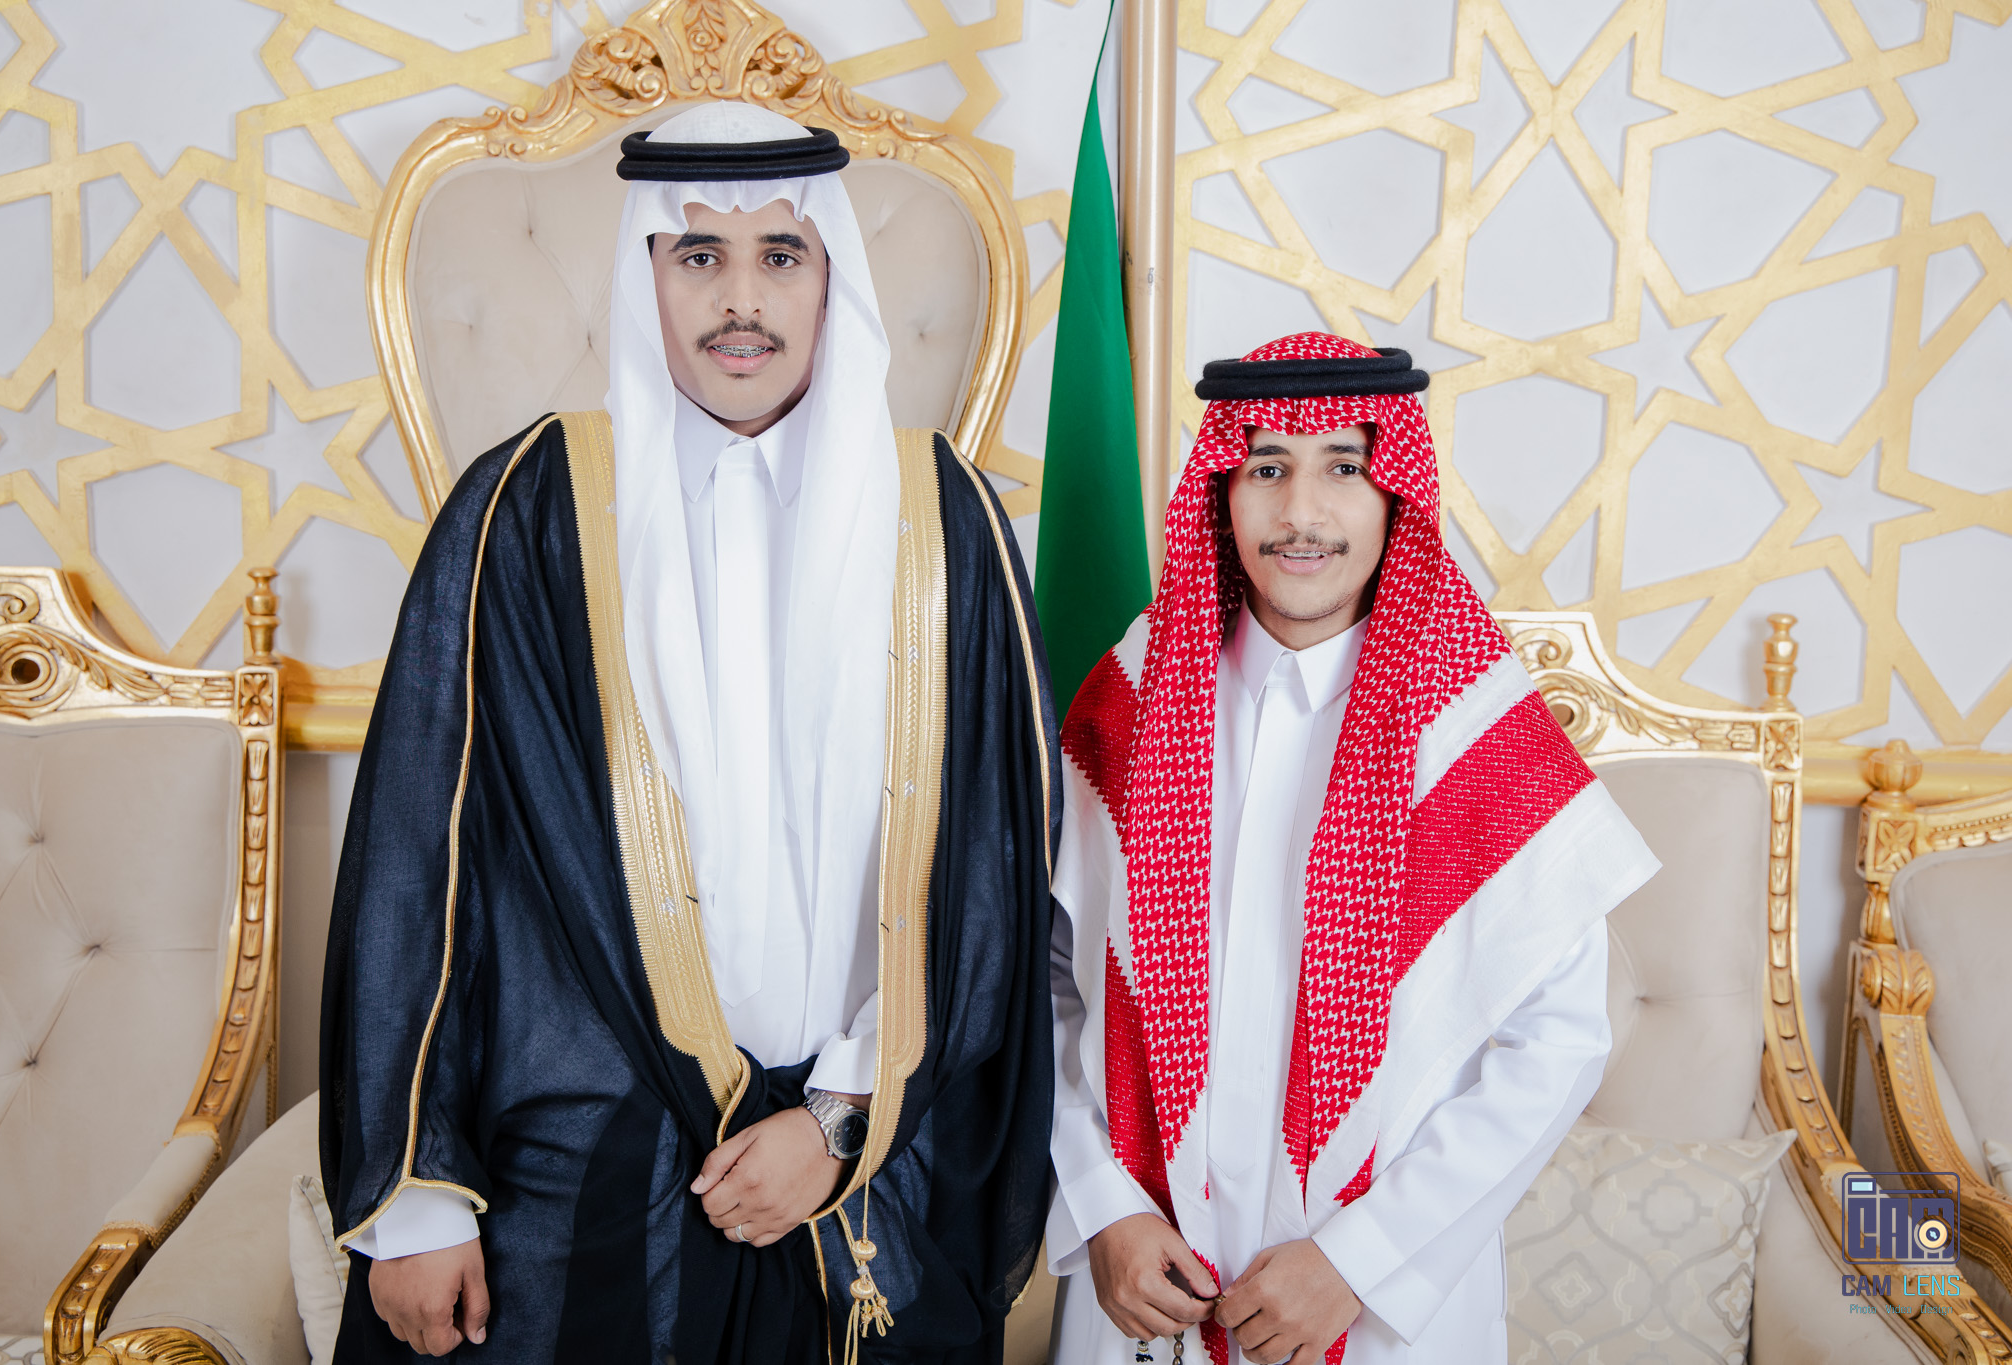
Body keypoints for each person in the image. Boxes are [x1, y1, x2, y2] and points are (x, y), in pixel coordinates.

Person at [319, 102, 1058, 1364]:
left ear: (830, 277)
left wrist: (835, 1120)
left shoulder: (945, 524)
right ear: (643, 274)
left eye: (781, 254)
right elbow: (419, 862)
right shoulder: (523, 509)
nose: (741, 301)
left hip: (862, 1167)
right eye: (698, 255)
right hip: (583, 1163)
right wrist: (416, 1200)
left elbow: (993, 873)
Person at [1045, 333, 1660, 1365]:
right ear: (1220, 493)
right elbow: (1052, 986)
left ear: (1393, 496)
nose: (1301, 513)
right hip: (1144, 1297)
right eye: (1266, 468)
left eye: (1342, 467)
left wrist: (1358, 1262)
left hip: (1379, 1311)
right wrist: (1102, 1205)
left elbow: (1555, 1042)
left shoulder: (1473, 731)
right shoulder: (1127, 704)